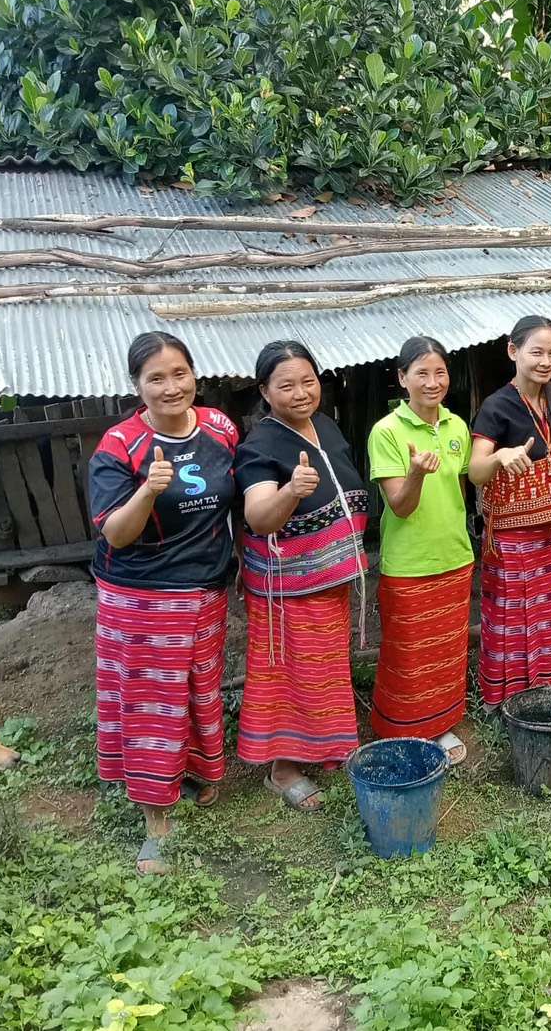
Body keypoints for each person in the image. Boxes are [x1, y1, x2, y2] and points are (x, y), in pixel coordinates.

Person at [88, 332, 238, 875]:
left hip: (207, 588)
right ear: (137, 386)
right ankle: (156, 821)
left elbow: (233, 503)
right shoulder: (119, 447)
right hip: (143, 597)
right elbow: (117, 536)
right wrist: (148, 490)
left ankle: (196, 768)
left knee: (199, 687)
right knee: (155, 704)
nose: (171, 387)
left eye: (180, 374)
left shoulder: (220, 428)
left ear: (194, 374)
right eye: (156, 378)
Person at [235, 341, 368, 811]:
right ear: (265, 392)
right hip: (286, 591)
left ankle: (329, 748)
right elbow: (259, 516)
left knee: (326, 671)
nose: (300, 393)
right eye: (286, 385)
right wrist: (291, 490)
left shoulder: (325, 427)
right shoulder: (259, 446)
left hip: (328, 581)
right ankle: (283, 769)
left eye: (308, 381)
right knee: (290, 675)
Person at [367, 336, 474, 764]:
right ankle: (402, 730)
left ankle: (440, 725)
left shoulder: (457, 427)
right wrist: (415, 474)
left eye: (440, 372)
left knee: (447, 650)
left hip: (455, 555)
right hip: (409, 562)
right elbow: (400, 504)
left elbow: (460, 493)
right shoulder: (387, 431)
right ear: (402, 378)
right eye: (422, 373)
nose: (432, 382)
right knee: (408, 654)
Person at [469, 316, 551, 708]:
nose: (546, 361)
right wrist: (498, 456)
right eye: (536, 352)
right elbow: (474, 471)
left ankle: (541, 690)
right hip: (511, 540)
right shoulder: (497, 406)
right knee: (509, 618)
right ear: (513, 351)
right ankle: (503, 698)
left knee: (547, 615)